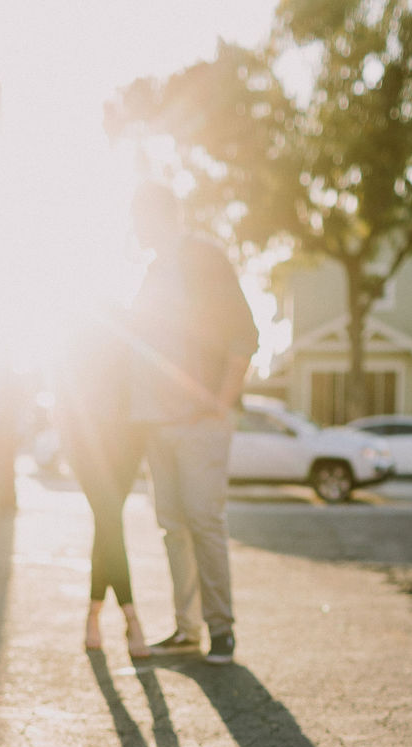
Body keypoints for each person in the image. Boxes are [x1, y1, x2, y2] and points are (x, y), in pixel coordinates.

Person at [129, 183, 258, 665]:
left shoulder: (203, 257)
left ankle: (221, 630)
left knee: (204, 522)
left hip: (198, 421)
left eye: (138, 215)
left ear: (160, 215)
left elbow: (245, 334)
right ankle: (188, 629)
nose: (134, 227)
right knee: (173, 527)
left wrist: (218, 403)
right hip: (156, 423)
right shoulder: (151, 272)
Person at [55, 310, 149, 658]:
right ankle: (131, 618)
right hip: (89, 453)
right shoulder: (75, 351)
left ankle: (93, 614)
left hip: (125, 451)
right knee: (110, 521)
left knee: (106, 526)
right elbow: (63, 404)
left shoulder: (131, 351)